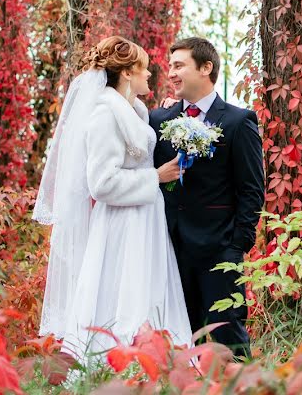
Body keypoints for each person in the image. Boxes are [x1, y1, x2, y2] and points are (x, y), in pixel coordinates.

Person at [32, 36, 191, 358]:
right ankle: (115, 366)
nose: (151, 75)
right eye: (145, 69)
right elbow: (101, 184)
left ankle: (153, 365)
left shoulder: (134, 112)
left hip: (145, 219)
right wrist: (155, 177)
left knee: (148, 296)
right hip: (121, 225)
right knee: (121, 298)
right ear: (128, 72)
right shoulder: (105, 114)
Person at [149, 37, 265, 358]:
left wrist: (236, 242)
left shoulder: (238, 121)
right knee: (179, 339)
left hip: (220, 248)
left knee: (229, 336)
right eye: (170, 66)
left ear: (205, 68)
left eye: (178, 65)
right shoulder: (158, 120)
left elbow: (252, 188)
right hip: (170, 249)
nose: (171, 73)